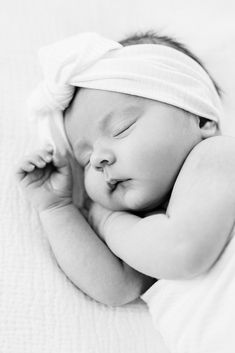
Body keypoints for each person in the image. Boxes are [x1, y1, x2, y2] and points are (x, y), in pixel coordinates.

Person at [15, 31, 235, 308]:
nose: (98, 161)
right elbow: (116, 288)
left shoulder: (217, 155)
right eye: (85, 159)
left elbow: (182, 251)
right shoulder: (144, 232)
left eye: (120, 129)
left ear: (202, 120)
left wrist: (106, 221)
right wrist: (58, 209)